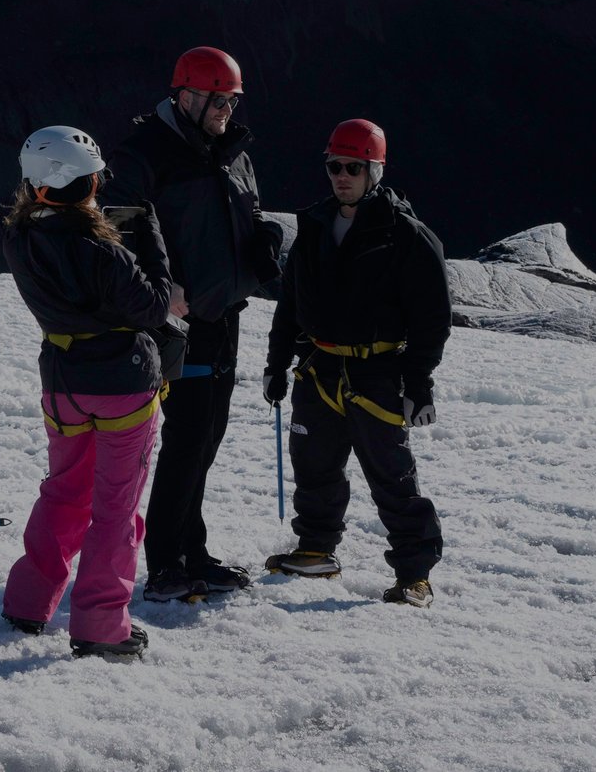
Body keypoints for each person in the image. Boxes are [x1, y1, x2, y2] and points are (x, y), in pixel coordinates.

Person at [100, 46, 282, 602]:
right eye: (218, 99)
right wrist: (162, 291)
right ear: (186, 95)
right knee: (187, 437)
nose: (227, 109)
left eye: (232, 99)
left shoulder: (231, 152)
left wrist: (262, 245)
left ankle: (191, 550)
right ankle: (166, 565)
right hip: (175, 323)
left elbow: (242, 216)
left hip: (224, 315)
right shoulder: (145, 154)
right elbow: (114, 232)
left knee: (207, 437)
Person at [0, 127, 177, 659]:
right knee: (116, 507)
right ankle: (100, 624)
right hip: (122, 385)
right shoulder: (105, 250)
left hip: (63, 382)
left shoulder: (19, 237)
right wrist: (151, 243)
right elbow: (153, 307)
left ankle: (30, 600)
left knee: (64, 490)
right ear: (92, 180)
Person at [262, 119, 448, 607]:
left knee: (391, 475)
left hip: (377, 372)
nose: (341, 176)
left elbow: (432, 318)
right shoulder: (316, 226)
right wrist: (277, 363)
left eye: (353, 167)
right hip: (319, 367)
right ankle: (317, 548)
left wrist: (419, 382)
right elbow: (291, 302)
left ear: (375, 171)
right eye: (334, 166)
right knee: (314, 464)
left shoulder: (407, 235)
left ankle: (415, 574)